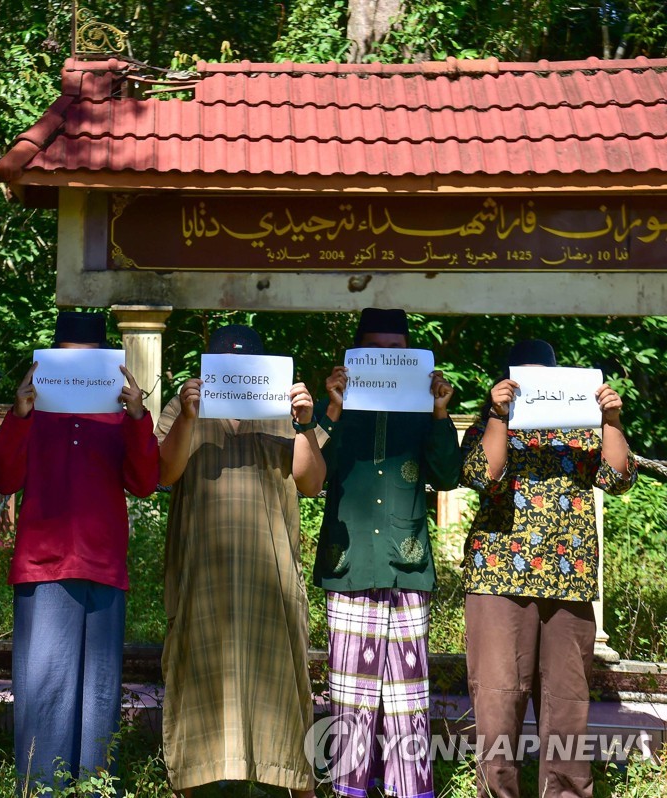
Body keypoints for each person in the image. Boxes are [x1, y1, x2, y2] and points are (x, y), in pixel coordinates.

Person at [0, 311, 160, 793]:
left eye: (89, 365)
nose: (78, 373)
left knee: (98, 692)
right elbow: (5, 478)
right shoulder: (35, 409)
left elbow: (145, 483)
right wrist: (20, 418)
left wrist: (138, 419)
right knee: (46, 688)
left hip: (104, 563)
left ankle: (94, 786)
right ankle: (40, 787)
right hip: (43, 563)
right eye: (68, 363)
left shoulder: (118, 413)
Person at [461, 339, 635, 798]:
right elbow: (484, 475)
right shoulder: (489, 423)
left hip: (569, 581)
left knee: (567, 711)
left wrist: (611, 421)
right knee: (498, 706)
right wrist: (499, 416)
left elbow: (618, 478)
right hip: (497, 578)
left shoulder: (584, 425)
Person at [156, 324, 325, 798]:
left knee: (280, 687)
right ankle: (194, 780)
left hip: (269, 579)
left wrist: (306, 424)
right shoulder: (186, 406)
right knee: (194, 680)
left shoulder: (284, 409)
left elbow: (311, 483)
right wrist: (188, 417)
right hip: (202, 576)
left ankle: (286, 780)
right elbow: (162, 472)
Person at [314, 308, 461, 798]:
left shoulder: (422, 410)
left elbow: (446, 476)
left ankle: (407, 790)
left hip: (407, 564)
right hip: (349, 562)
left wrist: (440, 412)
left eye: (397, 353)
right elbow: (312, 479)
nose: (387, 360)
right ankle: (350, 787)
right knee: (349, 695)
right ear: (356, 357)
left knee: (406, 697)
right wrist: (332, 409)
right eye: (376, 352)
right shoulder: (334, 408)